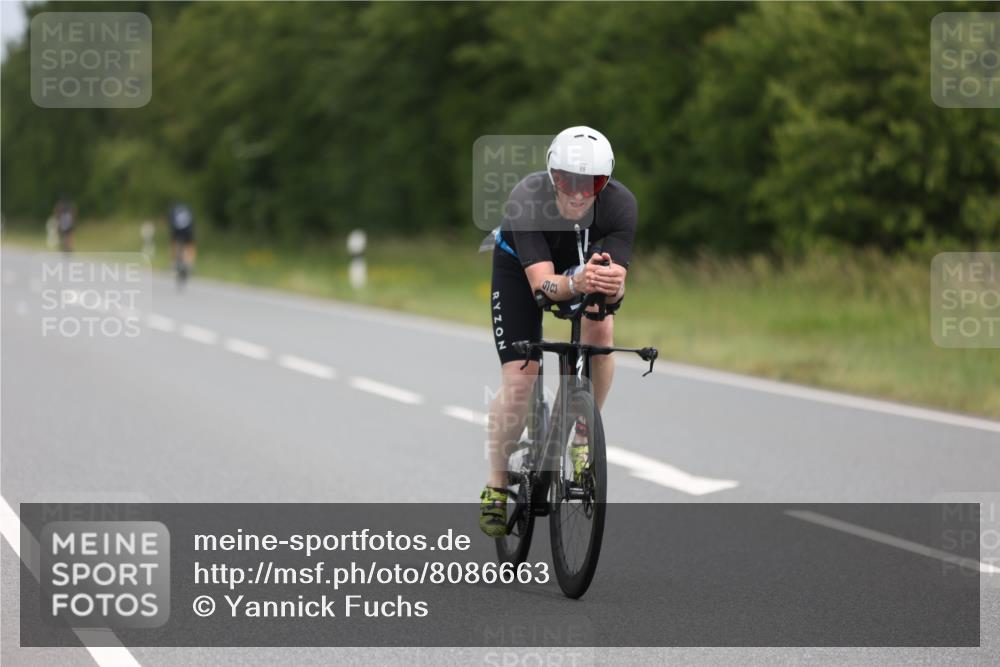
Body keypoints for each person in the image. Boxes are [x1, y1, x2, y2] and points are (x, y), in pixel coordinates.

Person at [480, 126, 637, 537]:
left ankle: (583, 428)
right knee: (521, 380)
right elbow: (543, 288)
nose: (578, 192)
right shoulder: (526, 198)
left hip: (580, 272)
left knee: (601, 337)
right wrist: (579, 282)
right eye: (567, 179)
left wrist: (612, 284)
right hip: (523, 271)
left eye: (592, 183)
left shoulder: (621, 206)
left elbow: (615, 281)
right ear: (552, 175)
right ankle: (497, 482)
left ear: (606, 183)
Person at [167, 202, 196, 279]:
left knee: (174, 242)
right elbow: (192, 222)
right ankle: (190, 263)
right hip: (188, 230)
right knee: (190, 244)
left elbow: (170, 223)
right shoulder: (188, 210)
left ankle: (173, 262)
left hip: (176, 230)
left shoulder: (173, 211)